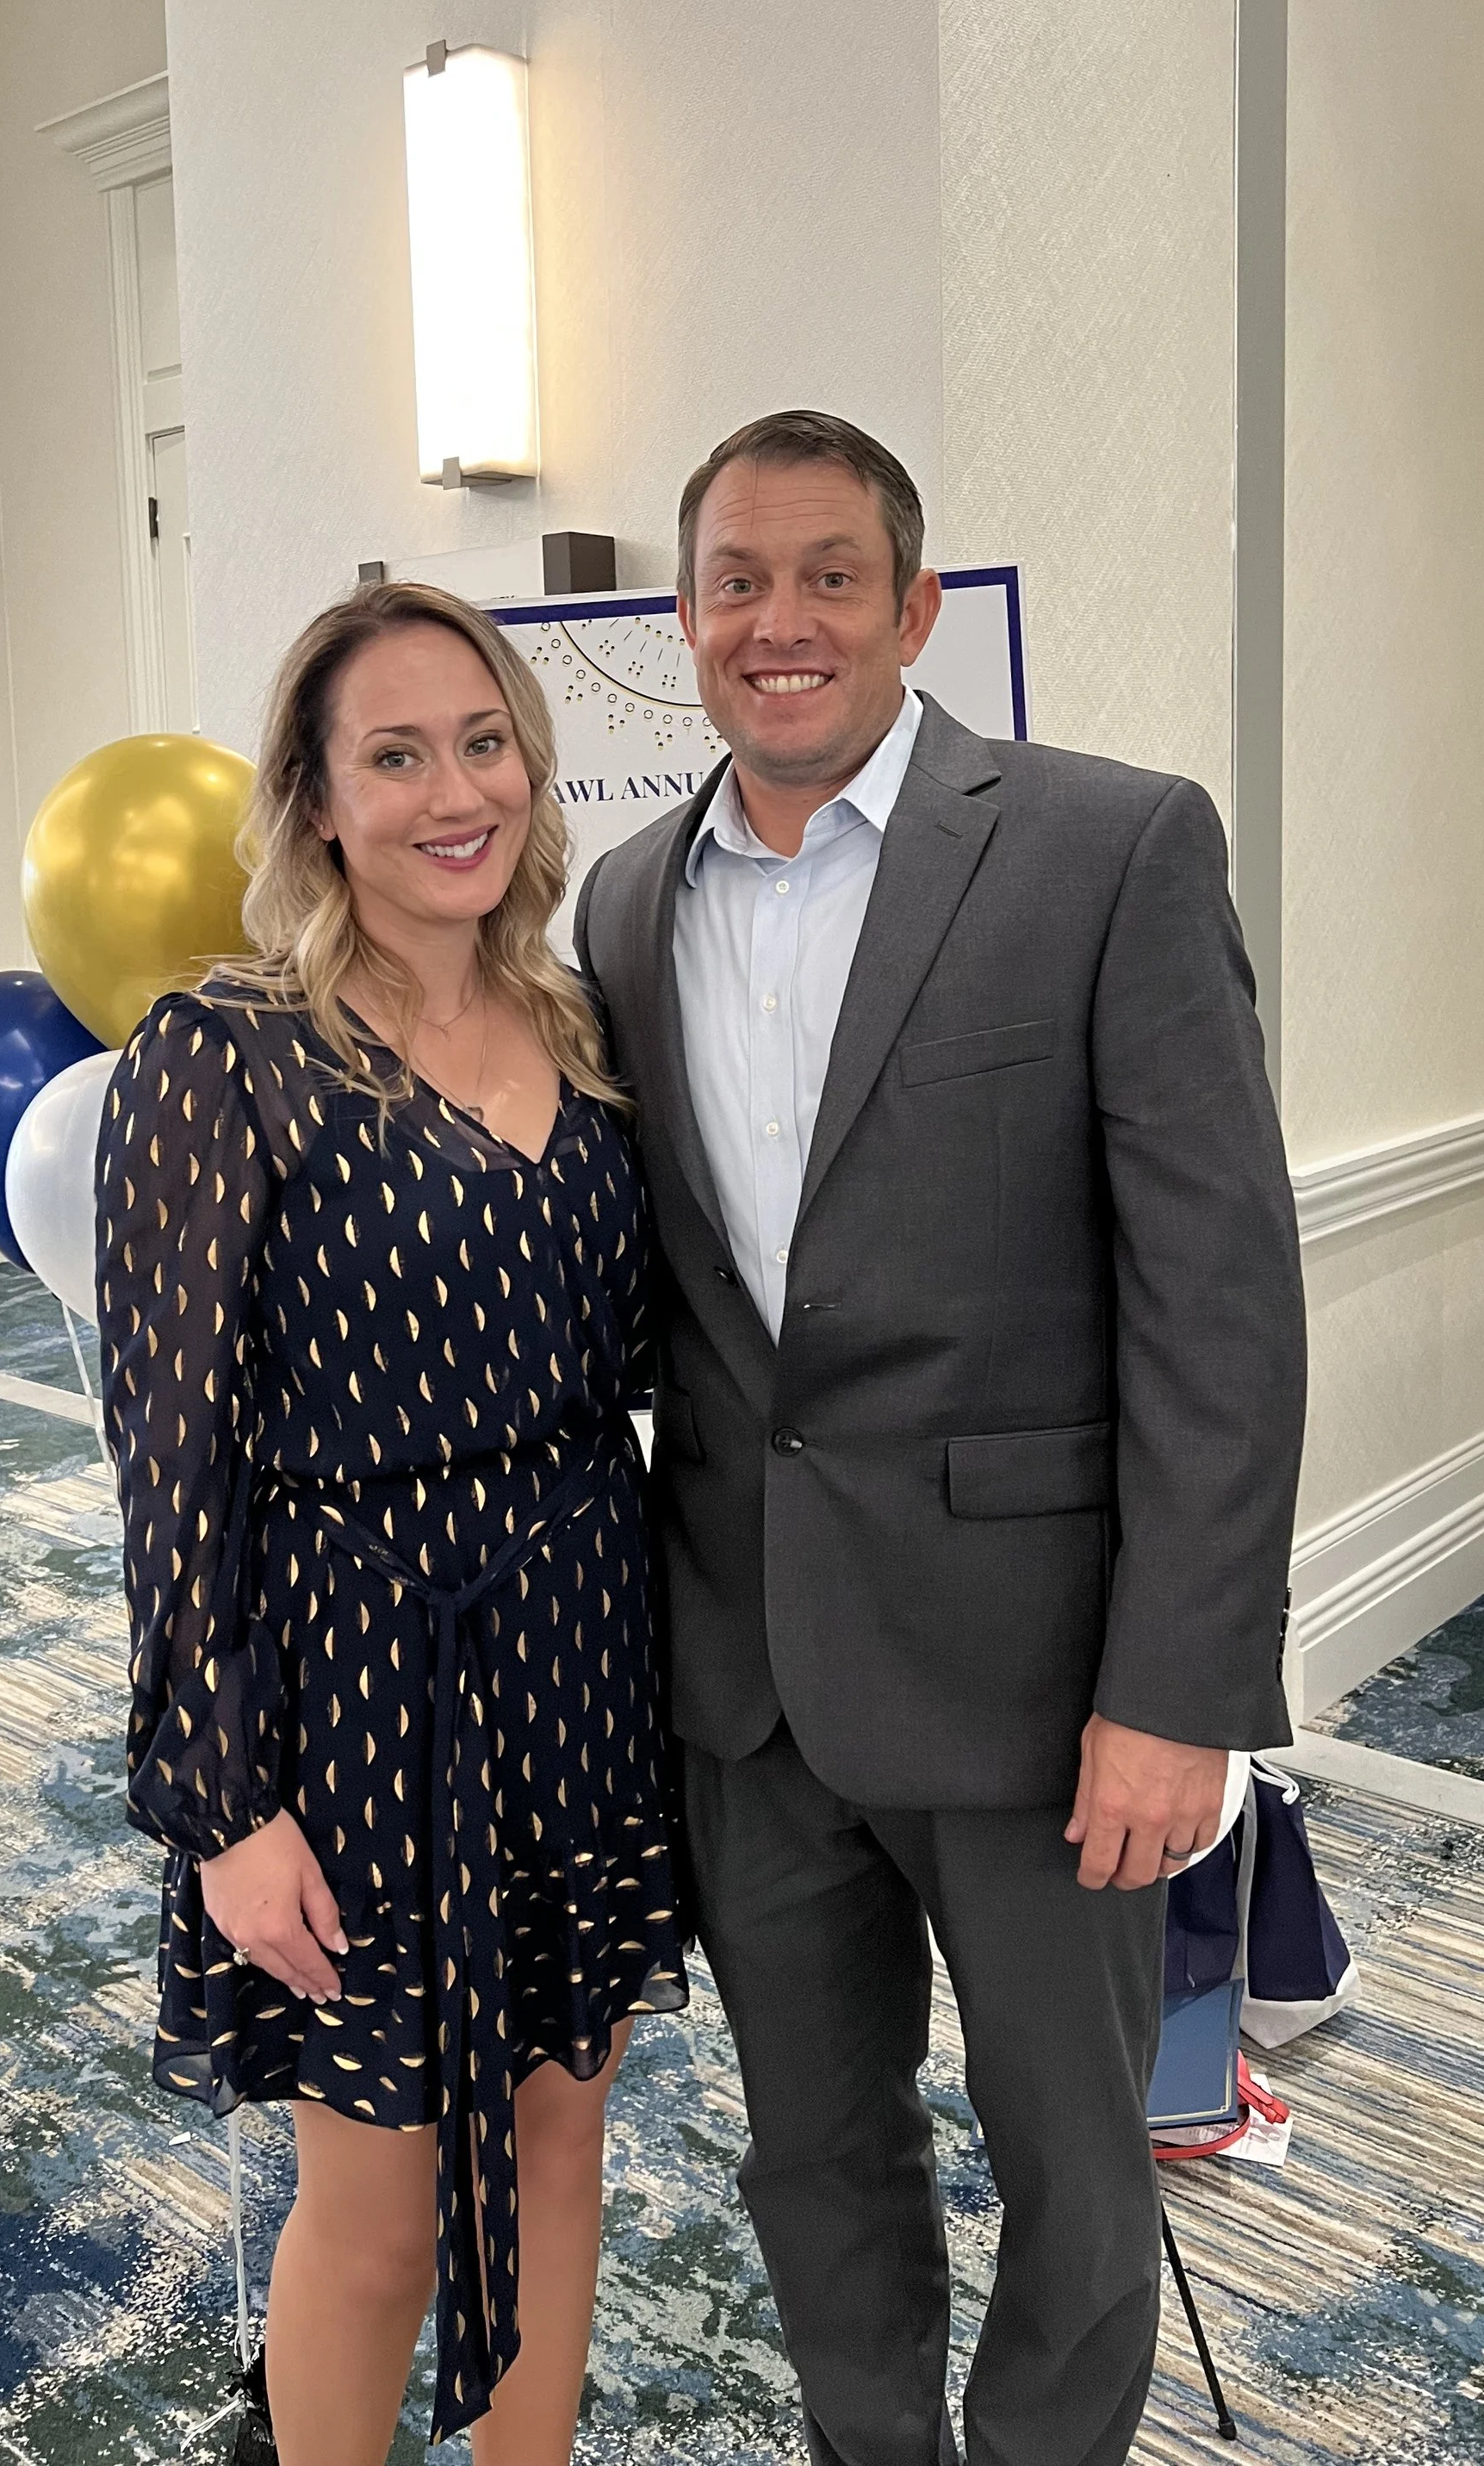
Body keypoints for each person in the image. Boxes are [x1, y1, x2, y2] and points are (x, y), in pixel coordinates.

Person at [573, 410, 1306, 2466]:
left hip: (1037, 1690)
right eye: (735, 580)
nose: (776, 620)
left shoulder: (1105, 842)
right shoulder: (624, 905)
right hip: (746, 1686)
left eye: (826, 577)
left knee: (1075, 2175)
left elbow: (1216, 1307)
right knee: (809, 2157)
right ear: (685, 615)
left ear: (908, 611)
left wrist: (1178, 1689)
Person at [99, 580, 686, 2466]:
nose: (454, 789)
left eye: (483, 739)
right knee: (372, 2222)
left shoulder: (585, 1030)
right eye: (394, 753)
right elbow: (166, 1458)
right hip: (354, 1685)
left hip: (581, 1650)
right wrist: (224, 1801)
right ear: (318, 797)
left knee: (562, 2144)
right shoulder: (224, 1051)